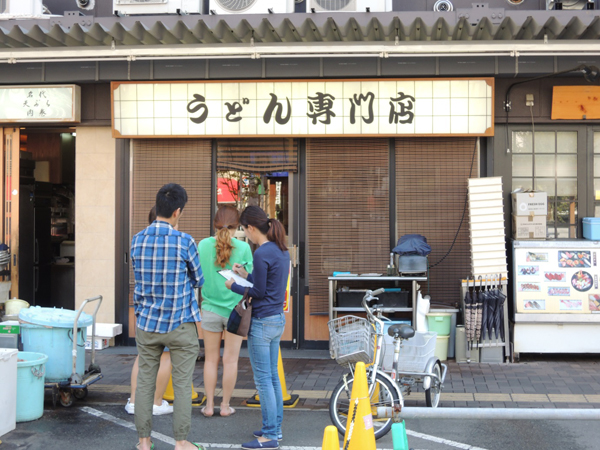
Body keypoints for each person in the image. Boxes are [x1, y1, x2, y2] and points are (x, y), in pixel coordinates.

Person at [131, 183, 205, 450]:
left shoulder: (137, 240)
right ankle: (181, 442)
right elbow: (199, 279)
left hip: (147, 323)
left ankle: (144, 441)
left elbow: (139, 278)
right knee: (183, 384)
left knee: (145, 383)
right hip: (180, 322)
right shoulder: (185, 241)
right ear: (177, 212)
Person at [225, 206, 290, 450]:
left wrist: (233, 285)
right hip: (276, 319)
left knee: (263, 380)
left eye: (244, 229)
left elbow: (259, 292)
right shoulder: (280, 250)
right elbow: (267, 284)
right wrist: (245, 274)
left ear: (251, 228)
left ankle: (270, 434)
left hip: (262, 322)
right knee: (272, 377)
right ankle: (275, 428)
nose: (246, 234)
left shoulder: (262, 252)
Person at [197, 205, 253, 418]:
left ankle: (209, 406)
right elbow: (251, 280)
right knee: (230, 360)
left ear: (215, 224)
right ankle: (225, 406)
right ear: (237, 226)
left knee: (211, 359)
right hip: (235, 312)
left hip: (209, 309)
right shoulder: (244, 248)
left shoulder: (203, 245)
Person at [126, 206, 173, 416]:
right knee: (165, 356)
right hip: (168, 311)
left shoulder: (138, 241)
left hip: (144, 309)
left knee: (143, 356)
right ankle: (155, 402)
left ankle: (134, 402)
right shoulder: (176, 242)